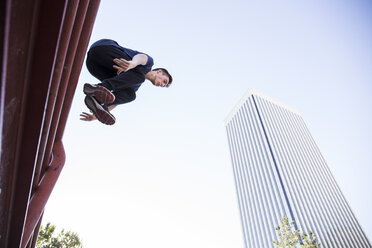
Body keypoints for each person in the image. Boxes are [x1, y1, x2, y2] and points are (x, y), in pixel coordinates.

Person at [80, 39, 173, 125]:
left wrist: (96, 116)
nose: (162, 84)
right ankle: (98, 88)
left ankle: (97, 102)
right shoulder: (148, 65)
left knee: (130, 94)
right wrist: (133, 63)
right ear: (159, 71)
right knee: (139, 77)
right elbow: (142, 57)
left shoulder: (133, 83)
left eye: (164, 85)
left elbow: (115, 101)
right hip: (104, 49)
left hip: (93, 65)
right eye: (164, 81)